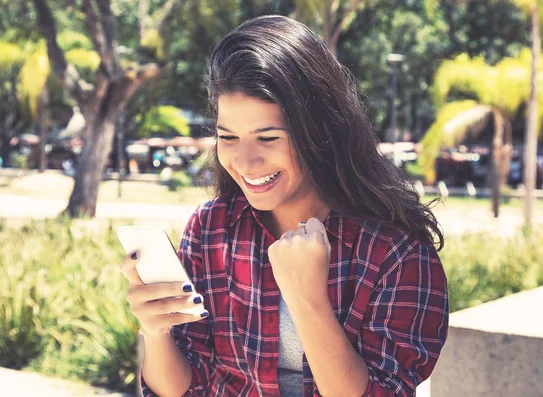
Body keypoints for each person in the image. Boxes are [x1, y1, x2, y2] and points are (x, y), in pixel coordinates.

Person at [120, 15, 448, 397]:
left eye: (268, 137)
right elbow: (186, 388)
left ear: (318, 131)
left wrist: (307, 298)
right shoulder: (212, 230)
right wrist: (156, 332)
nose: (244, 161)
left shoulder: (395, 253)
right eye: (228, 136)